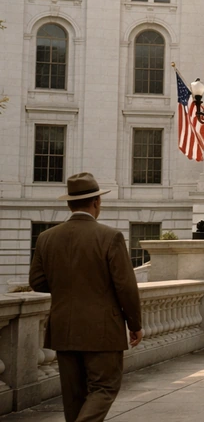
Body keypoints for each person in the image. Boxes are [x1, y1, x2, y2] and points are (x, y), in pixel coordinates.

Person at [29, 173, 143, 422]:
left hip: (63, 327)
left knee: (74, 396)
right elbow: (125, 286)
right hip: (103, 329)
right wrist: (135, 325)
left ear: (70, 204)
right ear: (96, 203)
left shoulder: (46, 238)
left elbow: (36, 282)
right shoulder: (110, 237)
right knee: (104, 388)